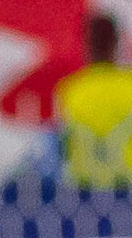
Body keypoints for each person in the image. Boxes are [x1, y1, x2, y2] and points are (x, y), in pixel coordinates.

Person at [56, 14, 132, 186]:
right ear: (116, 43)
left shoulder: (69, 90)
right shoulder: (129, 86)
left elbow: (63, 147)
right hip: (127, 189)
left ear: (86, 46)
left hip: (85, 193)